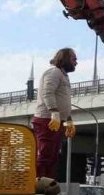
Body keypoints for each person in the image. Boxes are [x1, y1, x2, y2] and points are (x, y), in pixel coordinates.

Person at [32, 48, 77, 179]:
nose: (76, 62)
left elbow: (63, 100)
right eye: (73, 59)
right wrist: (54, 112)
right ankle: (39, 183)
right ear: (64, 59)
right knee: (45, 154)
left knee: (53, 156)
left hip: (56, 121)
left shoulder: (64, 76)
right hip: (47, 120)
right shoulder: (54, 72)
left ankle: (48, 183)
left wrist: (68, 119)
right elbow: (47, 92)